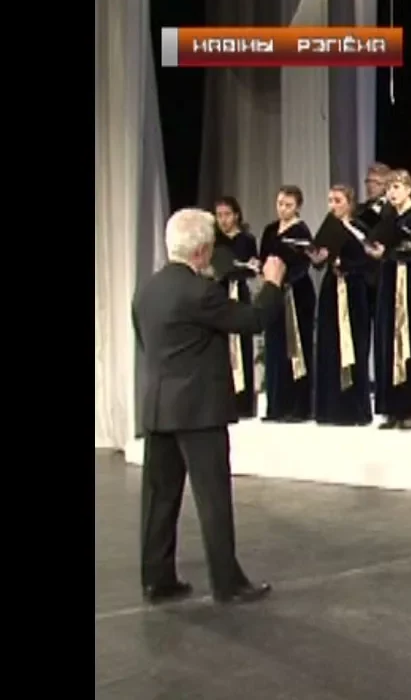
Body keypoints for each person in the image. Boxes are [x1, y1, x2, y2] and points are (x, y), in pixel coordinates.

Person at [132, 208, 280, 605]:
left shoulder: (147, 290)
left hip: (159, 406)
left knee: (159, 498)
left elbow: (146, 343)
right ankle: (227, 583)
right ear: (201, 251)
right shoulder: (200, 292)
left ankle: (157, 579)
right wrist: (272, 283)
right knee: (212, 497)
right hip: (198, 410)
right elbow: (253, 320)